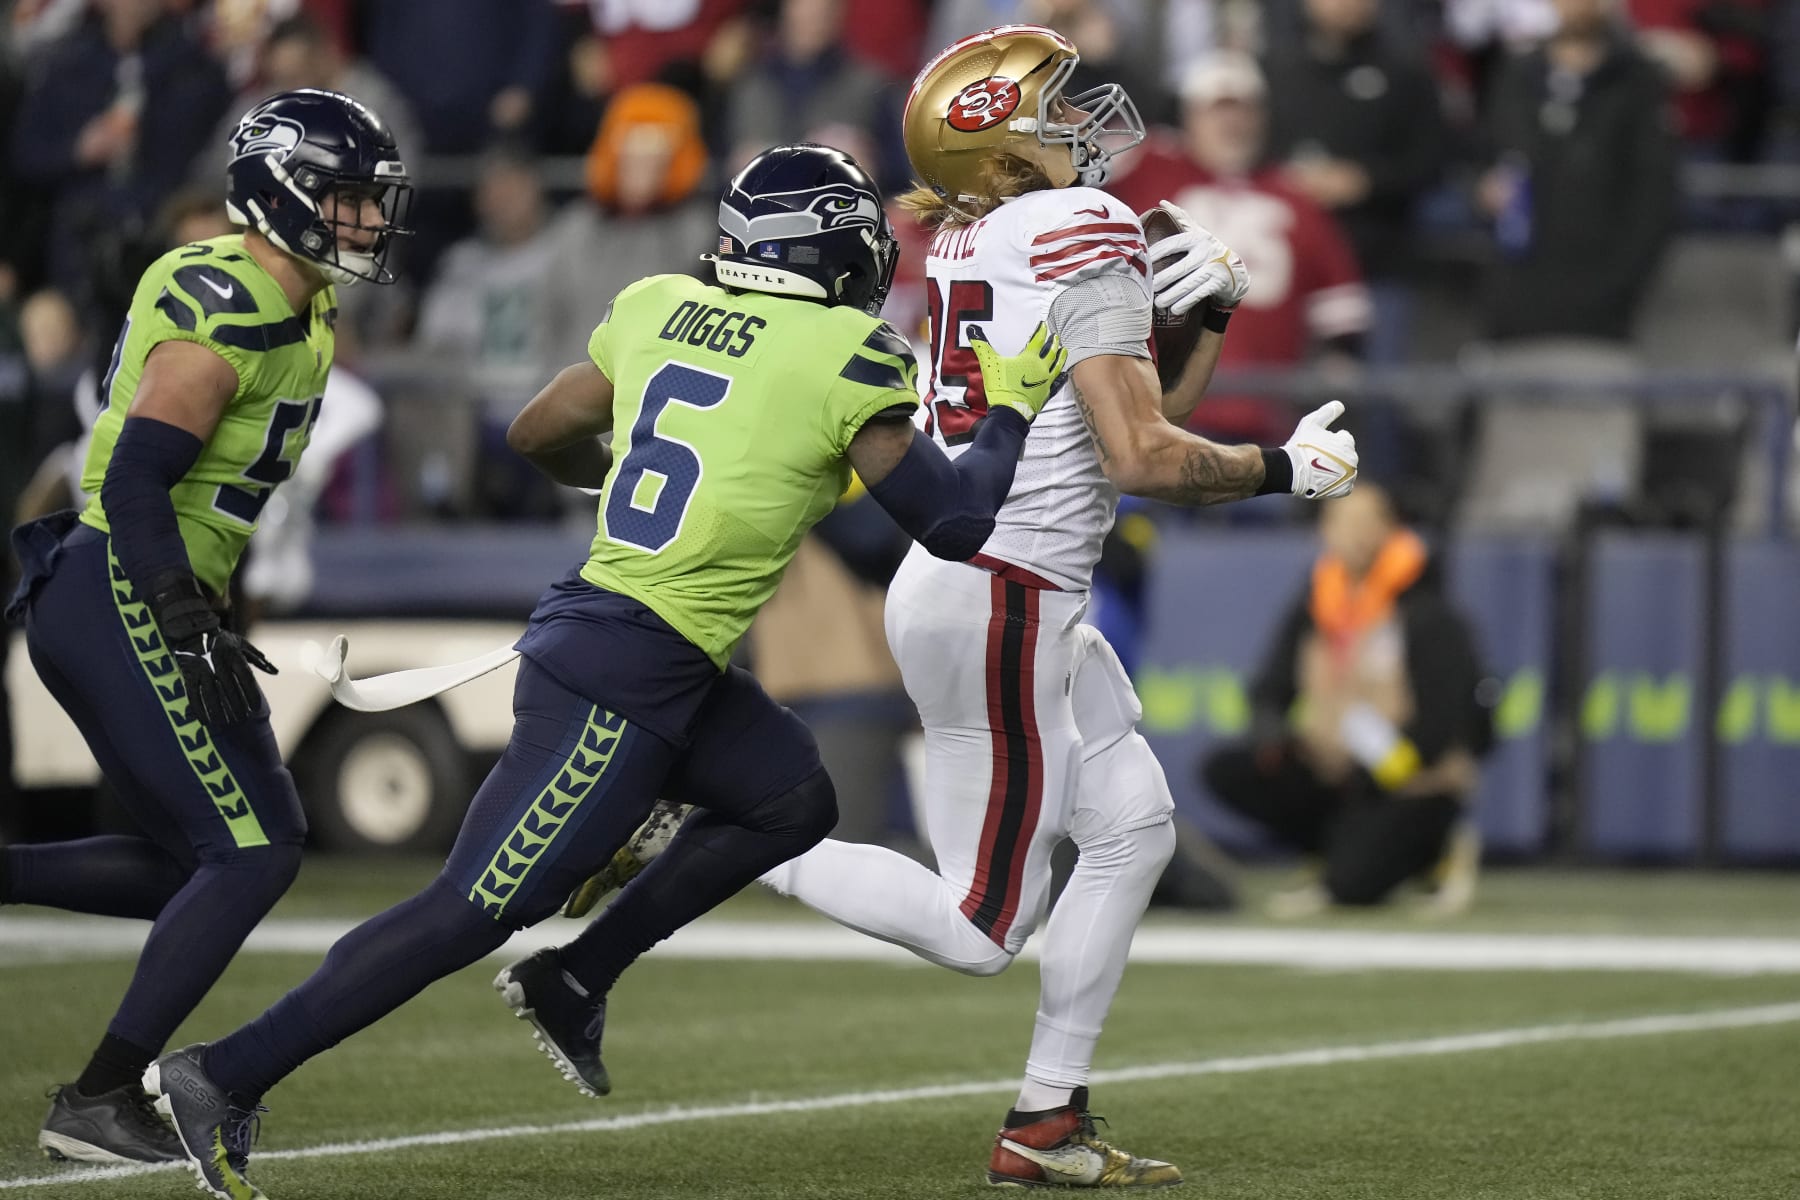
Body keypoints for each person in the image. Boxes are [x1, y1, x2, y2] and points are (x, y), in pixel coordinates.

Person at [142, 143, 1069, 1200]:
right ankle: (225, 1073)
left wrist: (640, 475)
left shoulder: (659, 303)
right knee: (469, 910)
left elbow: (537, 431)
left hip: (643, 644)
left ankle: (577, 976)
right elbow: (954, 522)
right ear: (833, 250)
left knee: (789, 797)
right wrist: (1013, 409)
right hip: (622, 672)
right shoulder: (848, 351)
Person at [735, 24, 1359, 1189]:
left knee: (1134, 824)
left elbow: (1135, 421)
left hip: (997, 586)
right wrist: (1289, 470)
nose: (1083, 120)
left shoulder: (974, 233)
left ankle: (1045, 1118)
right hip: (1005, 593)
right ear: (997, 144)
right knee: (981, 928)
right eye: (1054, 107)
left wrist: (1205, 320)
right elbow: (1146, 459)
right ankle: (728, 840)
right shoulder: (1081, 224)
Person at [0, 88, 411, 1166]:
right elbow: (137, 479)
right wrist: (182, 613)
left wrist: (212, 601)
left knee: (205, 860)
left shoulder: (298, 301)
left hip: (142, 587)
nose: (371, 219)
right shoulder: (233, 301)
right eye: (350, 197)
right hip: (125, 585)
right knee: (251, 853)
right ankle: (98, 1099)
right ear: (284, 193)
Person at [1200, 484, 1490, 916]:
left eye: (1368, 522)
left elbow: (1441, 724)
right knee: (1231, 769)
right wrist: (1274, 735)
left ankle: (1437, 850)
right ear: (1325, 531)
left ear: (1390, 529)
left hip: (1407, 776)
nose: (1356, 534)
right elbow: (1270, 688)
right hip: (1336, 767)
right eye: (1343, 522)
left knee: (1351, 886)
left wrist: (1371, 773)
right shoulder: (1317, 603)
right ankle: (1333, 848)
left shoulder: (1426, 610)